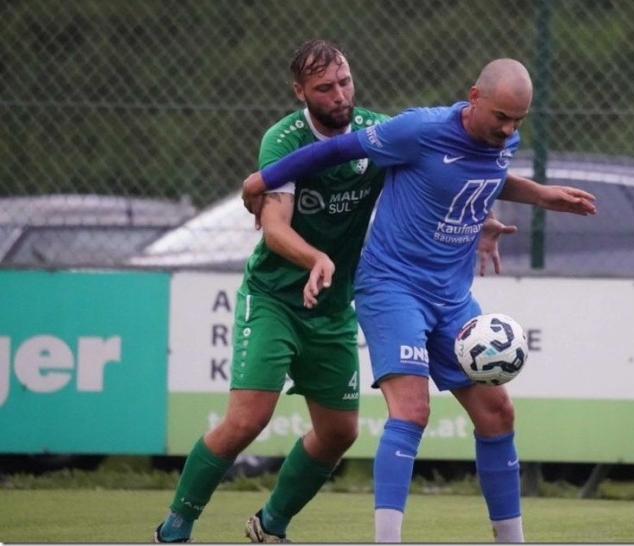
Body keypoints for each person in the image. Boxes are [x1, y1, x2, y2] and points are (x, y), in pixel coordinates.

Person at [153, 41, 578, 544]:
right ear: (300, 92)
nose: (340, 95)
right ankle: (176, 527)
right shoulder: (285, 140)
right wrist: (309, 249)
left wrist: (484, 214)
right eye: (325, 88)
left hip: (335, 300)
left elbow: (452, 171)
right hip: (278, 295)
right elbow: (275, 225)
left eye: (345, 82)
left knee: (341, 432)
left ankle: (270, 526)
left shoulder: (384, 129)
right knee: (249, 421)